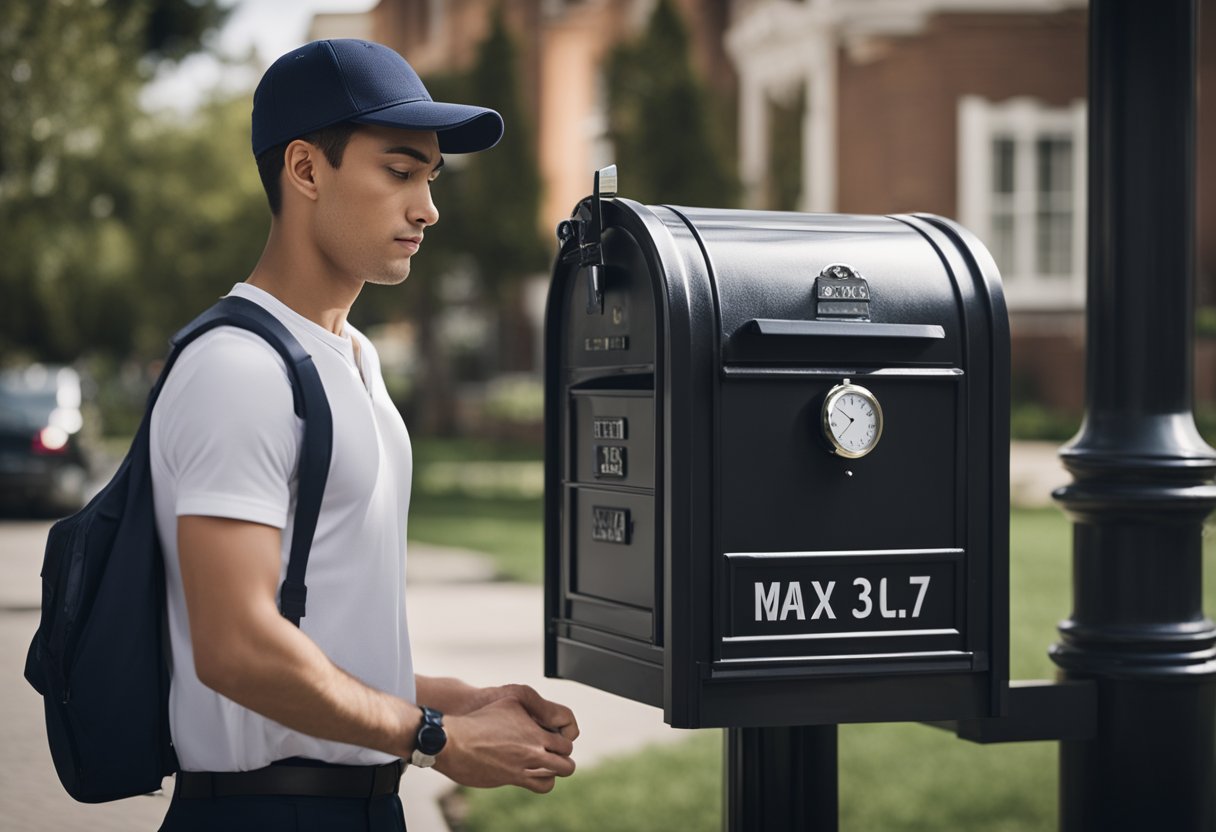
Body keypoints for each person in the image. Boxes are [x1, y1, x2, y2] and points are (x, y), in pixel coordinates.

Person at [148, 38, 578, 831]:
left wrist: (463, 702)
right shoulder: (238, 370)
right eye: (400, 171)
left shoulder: (356, 358)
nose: (428, 207)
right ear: (306, 171)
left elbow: (324, 646)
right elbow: (235, 647)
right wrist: (438, 740)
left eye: (430, 178)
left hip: (362, 808)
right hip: (263, 815)